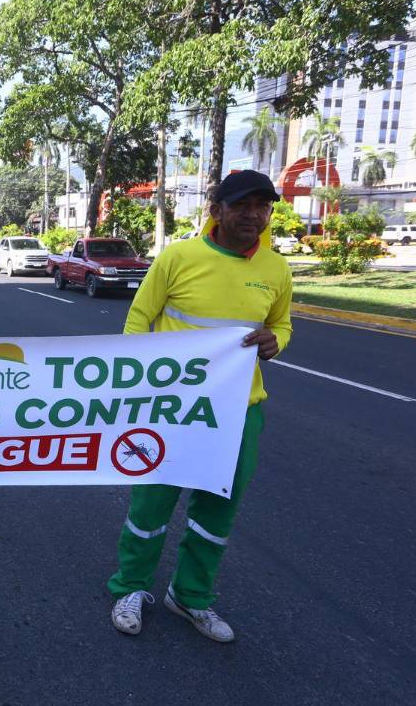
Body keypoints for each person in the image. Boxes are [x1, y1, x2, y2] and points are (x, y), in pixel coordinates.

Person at [106, 170, 292, 644]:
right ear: (216, 211)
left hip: (239, 410)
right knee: (152, 505)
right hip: (172, 409)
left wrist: (277, 342)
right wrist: (134, 382)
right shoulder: (179, 256)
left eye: (262, 206)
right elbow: (139, 318)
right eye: (241, 205)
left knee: (216, 512)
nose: (253, 214)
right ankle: (130, 588)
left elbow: (282, 325)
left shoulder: (276, 269)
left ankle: (190, 596)